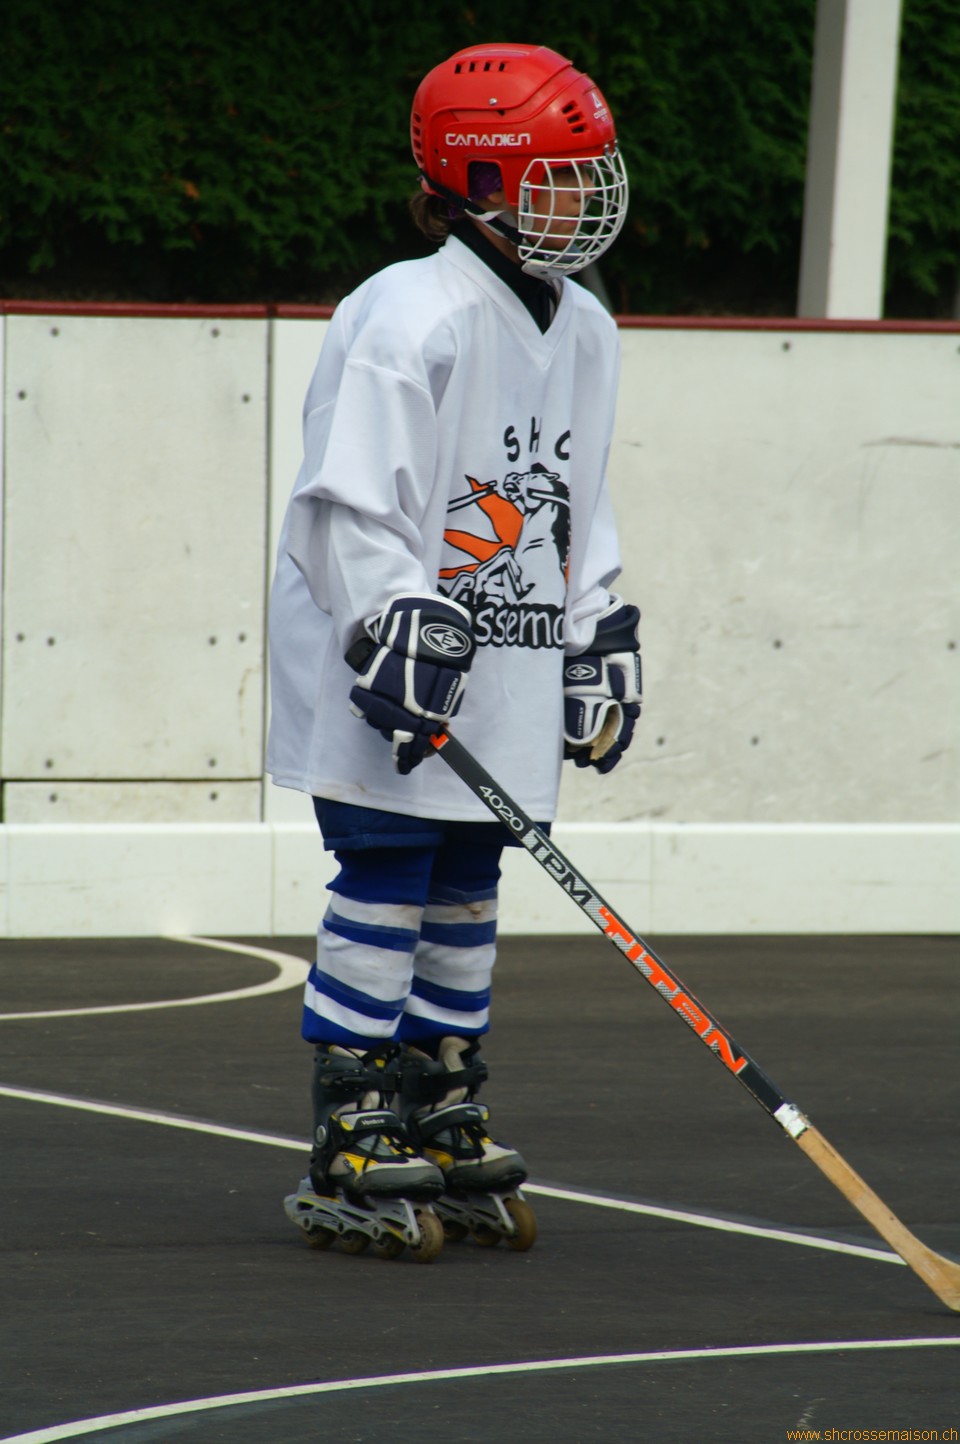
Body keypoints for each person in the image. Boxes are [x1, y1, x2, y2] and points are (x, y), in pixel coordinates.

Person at [268, 41, 642, 1260]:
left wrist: (592, 629)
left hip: (508, 655)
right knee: (386, 870)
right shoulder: (407, 311)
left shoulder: (587, 326)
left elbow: (579, 501)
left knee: (471, 882)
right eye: (557, 174)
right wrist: (390, 615)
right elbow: (346, 499)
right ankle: (354, 1115)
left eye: (589, 171)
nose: (583, 197)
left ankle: (440, 1092)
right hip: (393, 663)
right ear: (480, 181)